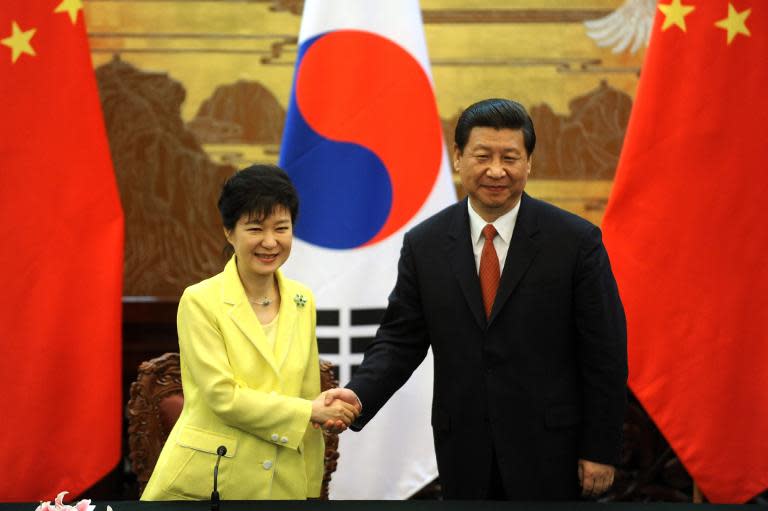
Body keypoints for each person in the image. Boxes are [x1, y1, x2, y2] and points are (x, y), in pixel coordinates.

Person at [326, 99, 628, 500]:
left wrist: (600, 449)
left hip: (554, 451)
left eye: (510, 157)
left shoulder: (575, 242)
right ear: (458, 157)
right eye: (483, 156)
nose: (496, 171)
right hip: (464, 450)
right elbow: (400, 340)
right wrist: (358, 394)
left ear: (529, 163)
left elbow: (604, 353)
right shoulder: (425, 245)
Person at [142, 164, 359, 501]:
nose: (270, 242)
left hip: (284, 484)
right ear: (230, 231)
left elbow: (306, 392)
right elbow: (223, 397)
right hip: (211, 483)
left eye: (281, 228)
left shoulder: (302, 300)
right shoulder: (200, 301)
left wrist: (310, 486)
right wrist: (309, 411)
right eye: (255, 228)